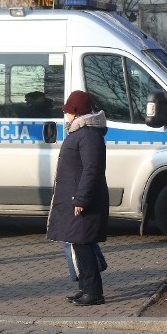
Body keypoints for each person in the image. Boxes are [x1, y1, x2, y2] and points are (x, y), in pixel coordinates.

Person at [46, 90, 109, 306]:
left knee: (82, 244)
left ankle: (93, 292)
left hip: (82, 200)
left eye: (67, 111)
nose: (65, 116)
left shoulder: (88, 135)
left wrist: (81, 200)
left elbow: (92, 170)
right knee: (79, 243)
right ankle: (85, 288)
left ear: (75, 112)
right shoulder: (81, 133)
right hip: (76, 198)